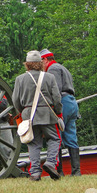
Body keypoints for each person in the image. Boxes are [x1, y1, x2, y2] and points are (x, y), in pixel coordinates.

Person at [12, 51, 63, 181]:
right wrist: (58, 112)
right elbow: (56, 98)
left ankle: (35, 172)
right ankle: (51, 163)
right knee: (54, 139)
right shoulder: (49, 77)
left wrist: (22, 112)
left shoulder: (20, 79)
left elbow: (15, 100)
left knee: (33, 143)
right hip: (47, 113)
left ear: (27, 65)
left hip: (29, 115)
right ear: (41, 63)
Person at [40, 49, 81, 176]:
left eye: (41, 62)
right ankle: (76, 171)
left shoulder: (52, 69)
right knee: (71, 137)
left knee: (56, 136)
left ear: (46, 60)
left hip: (62, 103)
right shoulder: (63, 68)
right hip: (72, 102)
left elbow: (55, 90)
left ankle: (59, 171)